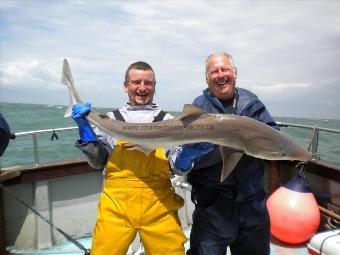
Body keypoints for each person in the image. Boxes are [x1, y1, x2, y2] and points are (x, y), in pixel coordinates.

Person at [169, 52, 279, 255]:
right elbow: (176, 161)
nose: (220, 75)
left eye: (225, 69)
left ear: (234, 72)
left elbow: (275, 135)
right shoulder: (198, 108)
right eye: (214, 71)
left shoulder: (253, 105)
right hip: (213, 206)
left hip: (252, 204)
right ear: (207, 78)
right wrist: (186, 155)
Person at [72, 61, 186, 255]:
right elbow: (98, 161)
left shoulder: (170, 122)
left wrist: (190, 153)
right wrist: (84, 127)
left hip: (159, 205)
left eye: (148, 83)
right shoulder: (110, 119)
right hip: (116, 206)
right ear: (126, 86)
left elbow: (177, 166)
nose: (142, 88)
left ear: (154, 87)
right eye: (136, 82)